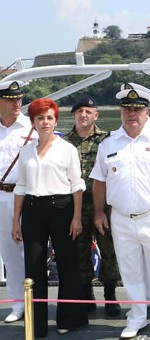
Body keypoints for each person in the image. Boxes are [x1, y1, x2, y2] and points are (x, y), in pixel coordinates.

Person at [90, 85, 150, 338]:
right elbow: (99, 181)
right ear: (121, 111)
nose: (132, 113)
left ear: (146, 111)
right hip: (120, 217)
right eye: (127, 109)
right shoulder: (108, 143)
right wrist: (99, 212)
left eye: (137, 109)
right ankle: (137, 317)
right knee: (130, 271)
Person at [11, 98, 88, 337]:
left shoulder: (68, 149)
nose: (45, 122)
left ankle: (70, 319)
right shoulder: (25, 151)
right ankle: (37, 323)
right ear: (33, 122)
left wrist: (76, 217)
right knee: (33, 267)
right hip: (33, 210)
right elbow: (21, 186)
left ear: (56, 120)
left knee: (67, 265)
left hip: (62, 209)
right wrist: (16, 220)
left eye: (49, 118)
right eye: (40, 118)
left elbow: (77, 186)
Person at [63, 97, 121, 316]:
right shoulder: (63, 142)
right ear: (74, 115)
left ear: (96, 115)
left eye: (88, 111)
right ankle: (86, 294)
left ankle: (110, 295)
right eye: (79, 111)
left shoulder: (108, 140)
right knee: (80, 251)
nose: (83, 115)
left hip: (102, 205)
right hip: (74, 206)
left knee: (108, 251)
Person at [0, 80, 31, 324]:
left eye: (19, 98)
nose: (16, 103)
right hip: (1, 196)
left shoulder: (31, 127)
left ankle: (35, 301)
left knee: (32, 251)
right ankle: (17, 302)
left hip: (28, 195)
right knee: (9, 252)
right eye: (11, 99)